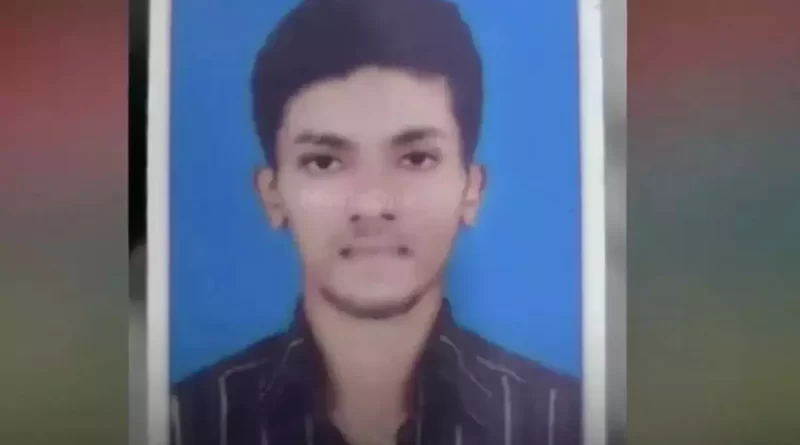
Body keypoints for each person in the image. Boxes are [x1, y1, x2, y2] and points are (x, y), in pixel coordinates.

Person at [170, 0, 581, 444]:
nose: (371, 203)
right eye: (324, 162)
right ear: (272, 195)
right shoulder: (181, 423)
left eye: (417, 158)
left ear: (471, 190)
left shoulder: (567, 421)